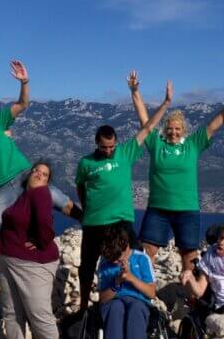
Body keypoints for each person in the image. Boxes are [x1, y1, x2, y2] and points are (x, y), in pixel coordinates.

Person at [74, 79, 172, 312]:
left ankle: (139, 299)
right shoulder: (86, 162)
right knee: (87, 265)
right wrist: (86, 206)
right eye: (104, 147)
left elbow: (147, 128)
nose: (108, 151)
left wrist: (166, 102)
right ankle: (84, 307)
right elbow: (80, 186)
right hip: (94, 222)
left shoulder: (125, 152)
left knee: (136, 257)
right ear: (97, 144)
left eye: (111, 147)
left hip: (121, 221)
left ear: (116, 143)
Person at [129, 72, 224, 281]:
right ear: (164, 130)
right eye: (169, 129)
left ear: (183, 130)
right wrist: (134, 91)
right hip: (158, 209)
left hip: (187, 209)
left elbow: (214, 126)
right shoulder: (156, 143)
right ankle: (143, 292)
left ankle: (191, 299)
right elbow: (144, 119)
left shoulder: (192, 145)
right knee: (146, 252)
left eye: (177, 129)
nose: (173, 132)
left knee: (189, 256)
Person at [0, 61, 79, 235]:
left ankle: (88, 221)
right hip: (1, 188)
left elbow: (23, 104)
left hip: (23, 175)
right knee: (0, 231)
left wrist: (24, 82)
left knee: (55, 197)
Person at [0, 161, 62, 339]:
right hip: (8, 260)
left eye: (44, 174)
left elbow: (45, 223)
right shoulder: (24, 196)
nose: (38, 175)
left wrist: (42, 242)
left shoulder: (41, 194)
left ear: (47, 182)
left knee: (38, 312)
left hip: (31, 265)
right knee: (12, 311)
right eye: (35, 171)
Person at [96, 224, 156, 339]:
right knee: (115, 308)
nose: (115, 261)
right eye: (112, 259)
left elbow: (151, 292)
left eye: (118, 257)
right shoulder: (105, 263)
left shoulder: (141, 259)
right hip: (113, 300)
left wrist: (130, 278)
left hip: (138, 301)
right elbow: (102, 298)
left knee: (135, 308)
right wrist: (117, 282)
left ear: (127, 245)